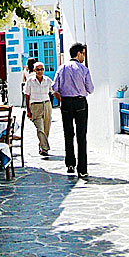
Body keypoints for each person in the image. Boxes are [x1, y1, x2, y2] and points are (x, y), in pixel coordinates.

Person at [52, 42, 93, 179]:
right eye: (83, 54)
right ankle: (82, 169)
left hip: (66, 103)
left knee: (68, 134)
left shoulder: (61, 68)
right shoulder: (83, 69)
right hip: (80, 102)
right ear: (79, 54)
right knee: (81, 135)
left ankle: (70, 163)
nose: (84, 57)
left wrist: (62, 97)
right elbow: (91, 89)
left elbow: (54, 87)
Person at [24, 61, 53, 156]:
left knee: (46, 128)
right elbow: (27, 95)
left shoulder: (48, 80)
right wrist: (28, 110)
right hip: (35, 106)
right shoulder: (30, 81)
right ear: (34, 70)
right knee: (40, 128)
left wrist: (61, 100)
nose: (40, 71)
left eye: (41, 69)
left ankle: (42, 146)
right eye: (37, 70)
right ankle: (45, 148)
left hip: (46, 104)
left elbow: (53, 91)